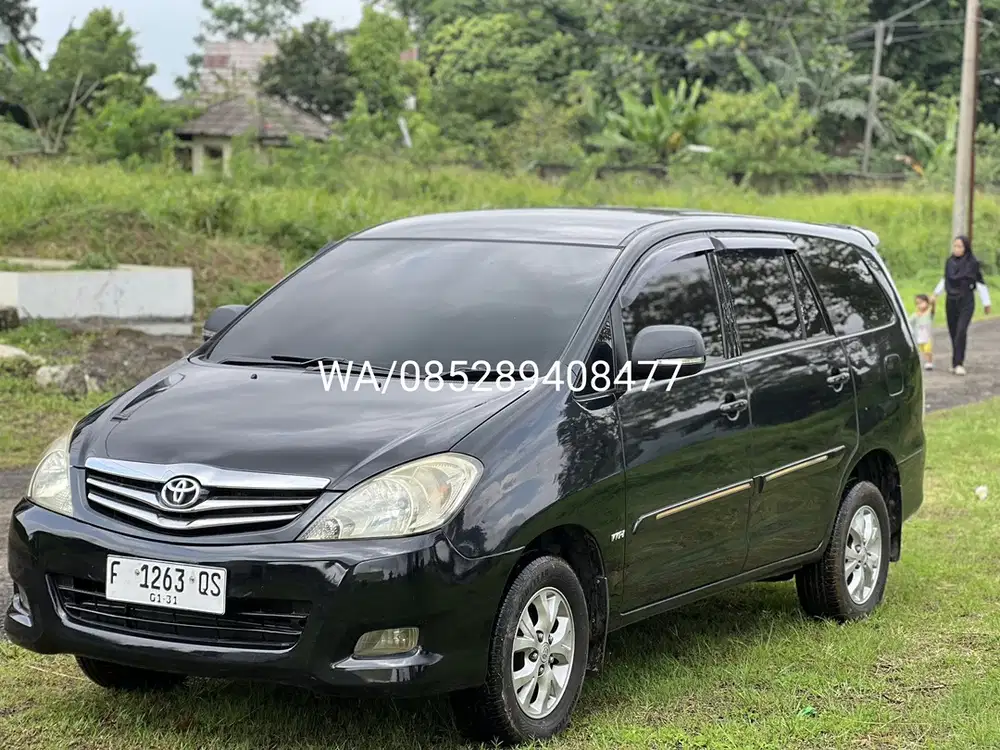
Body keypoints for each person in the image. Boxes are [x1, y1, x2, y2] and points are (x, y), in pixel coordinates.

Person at [932, 235, 992, 376]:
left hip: (966, 301)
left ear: (966, 248)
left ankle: (958, 363)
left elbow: (980, 283)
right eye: (955, 246)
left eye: (960, 246)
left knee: (961, 331)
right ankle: (955, 360)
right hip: (951, 301)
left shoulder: (972, 264)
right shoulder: (949, 262)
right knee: (953, 332)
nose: (957, 249)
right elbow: (945, 279)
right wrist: (935, 294)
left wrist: (986, 302)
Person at [909, 294, 935, 370]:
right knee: (921, 351)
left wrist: (933, 303)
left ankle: (929, 363)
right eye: (917, 303)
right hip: (919, 337)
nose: (919, 305)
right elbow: (909, 322)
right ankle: (922, 363)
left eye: (921, 302)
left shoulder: (929, 313)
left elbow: (933, 310)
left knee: (928, 350)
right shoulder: (915, 315)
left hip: (927, 337)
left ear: (927, 303)